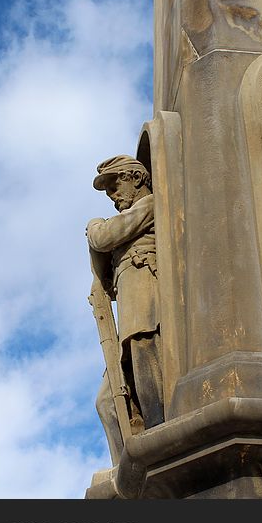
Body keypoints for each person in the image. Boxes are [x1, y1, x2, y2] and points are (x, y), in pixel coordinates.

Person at [87, 155, 164, 463]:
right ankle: (127, 466)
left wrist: (94, 226)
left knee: (147, 366)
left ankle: (160, 436)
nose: (113, 195)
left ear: (136, 177)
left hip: (145, 302)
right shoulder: (132, 213)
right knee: (107, 401)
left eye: (116, 185)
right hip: (129, 306)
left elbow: (104, 238)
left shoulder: (150, 204)